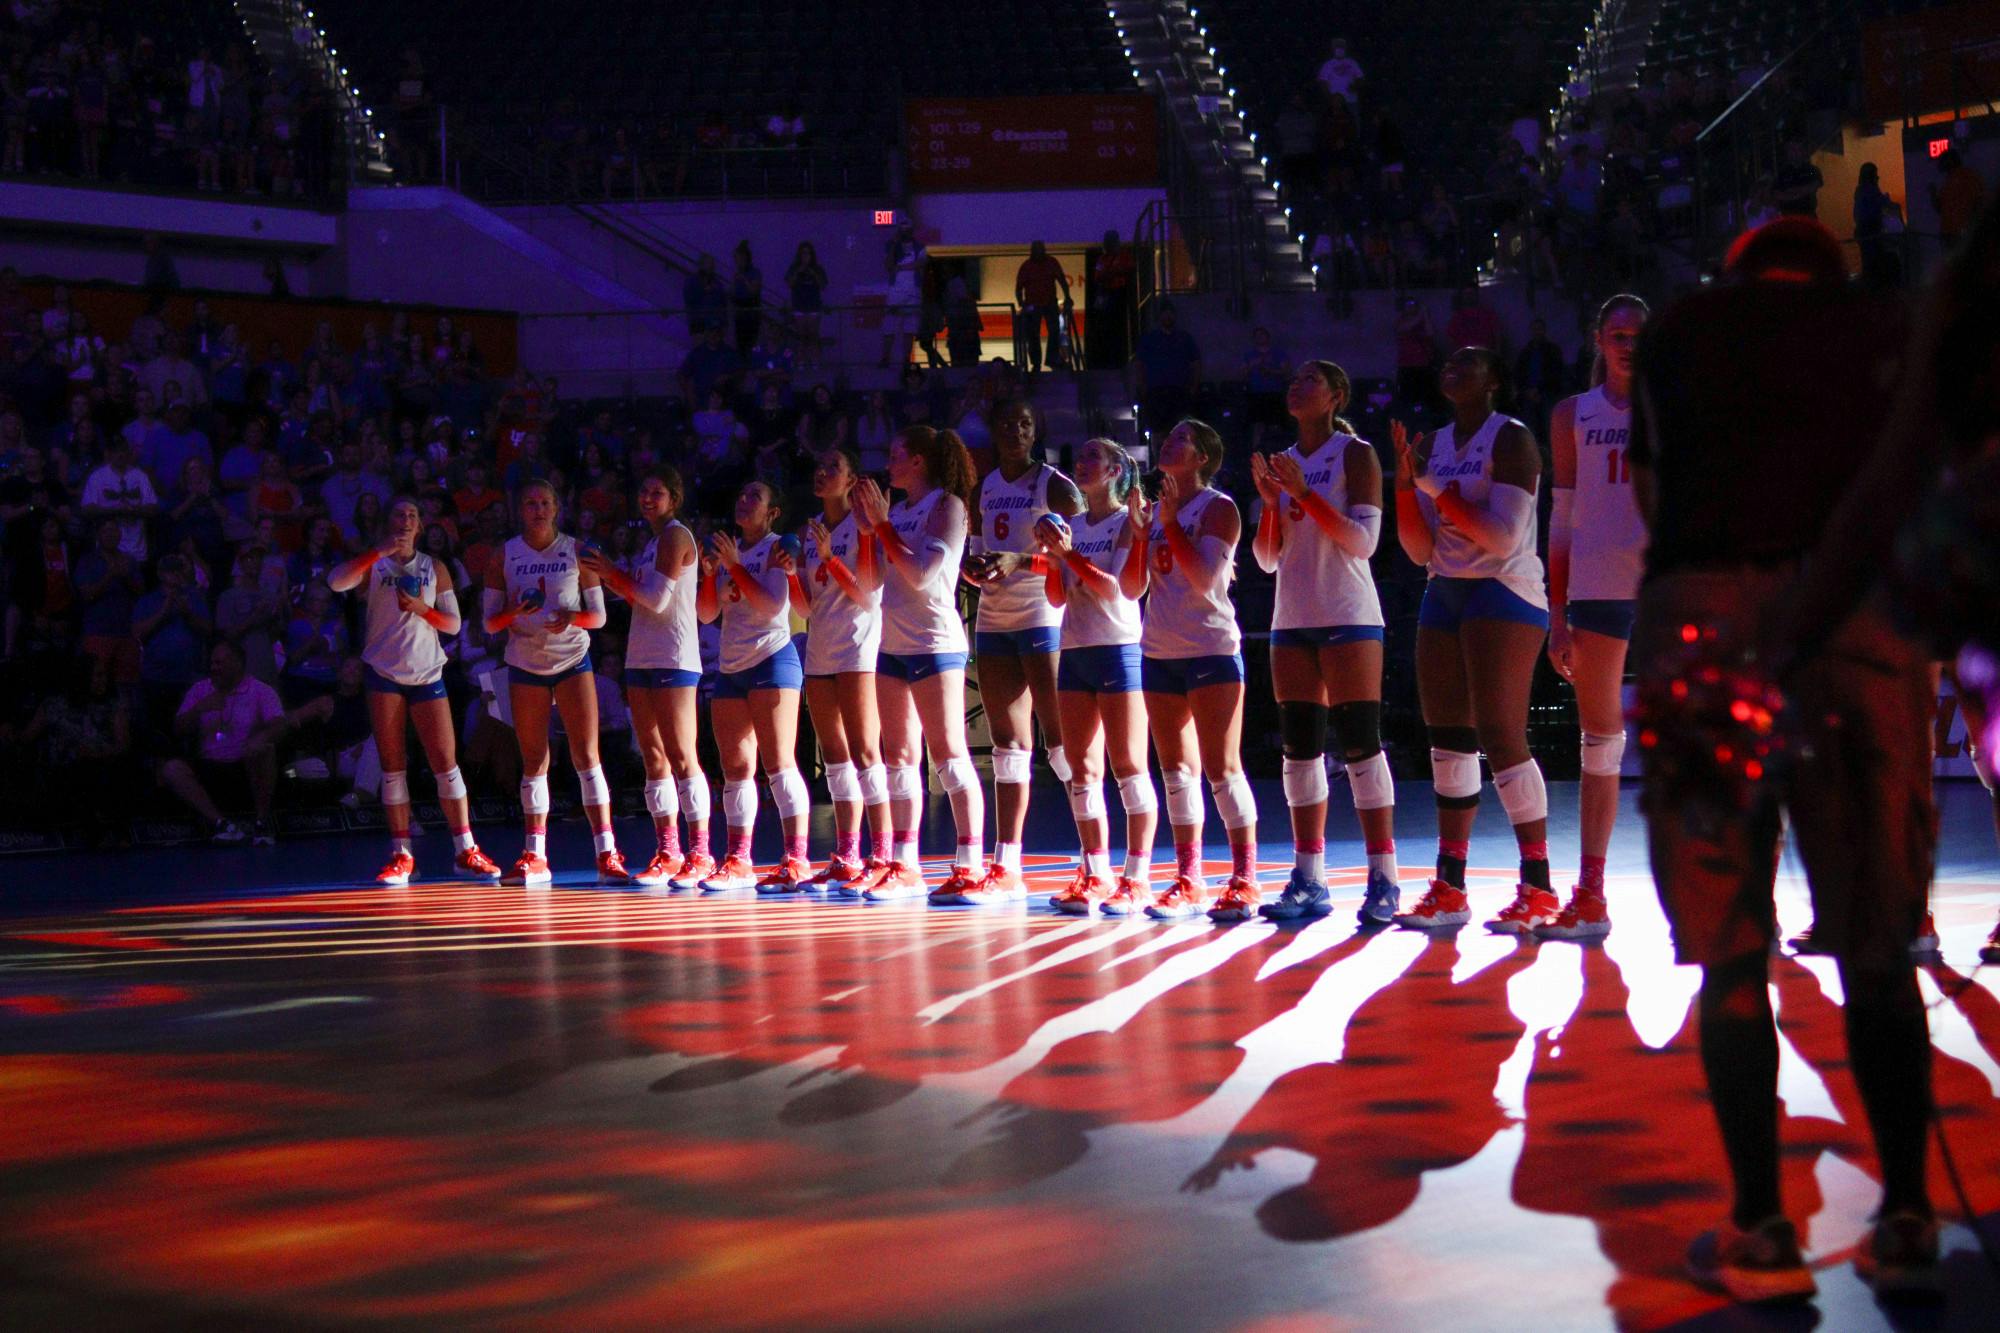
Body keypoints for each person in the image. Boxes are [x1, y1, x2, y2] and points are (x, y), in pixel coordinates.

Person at [1626, 217, 1939, 1301]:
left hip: (1703, 610)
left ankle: (1759, 1220)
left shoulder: (1672, 335)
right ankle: (1904, 1214)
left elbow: (1651, 490)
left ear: (1735, 273)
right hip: (1854, 615)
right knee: (1873, 934)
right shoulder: (1886, 327)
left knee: (1728, 946)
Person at [1390, 347, 1554, 933]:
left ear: (1495, 380)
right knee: (1448, 740)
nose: (1452, 368)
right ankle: (1449, 886)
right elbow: (1418, 551)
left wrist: (1435, 487)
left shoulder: (1511, 438)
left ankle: (1538, 887)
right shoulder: (1430, 445)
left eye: (1470, 363)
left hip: (1503, 589)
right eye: (1448, 363)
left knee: (1501, 733)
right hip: (1446, 588)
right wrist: (1407, 488)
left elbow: (1503, 538)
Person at [1250, 361, 1400, 924]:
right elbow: (1267, 559)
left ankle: (1383, 877)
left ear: (1337, 395)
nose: (1296, 383)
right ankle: (1308, 878)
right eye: (1294, 377)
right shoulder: (1288, 461)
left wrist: (1301, 494)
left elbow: (1364, 541)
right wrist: (1271, 503)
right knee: (1299, 749)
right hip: (1292, 617)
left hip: (1348, 612)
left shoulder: (1354, 452)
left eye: (1311, 379)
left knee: (1361, 742)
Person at [1537, 296, 1649, 939]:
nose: (1629, 344)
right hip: (1598, 590)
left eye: (1639, 334)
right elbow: (1562, 514)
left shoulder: (1672, 403)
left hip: (1663, 591)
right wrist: (1557, 613)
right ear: (1598, 340)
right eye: (1618, 334)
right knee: (1600, 744)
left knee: (1706, 738)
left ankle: (1750, 900)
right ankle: (1592, 893)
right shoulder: (1571, 415)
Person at [328, 496, 502, 886]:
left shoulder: (433, 566)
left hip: (426, 673)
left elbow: (454, 626)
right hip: (384, 673)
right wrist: (378, 551)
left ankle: (465, 850)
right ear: (388, 522)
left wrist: (420, 609)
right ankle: (403, 854)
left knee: (446, 764)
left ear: (420, 526)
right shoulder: (375, 565)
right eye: (399, 515)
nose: (406, 520)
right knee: (392, 768)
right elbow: (336, 581)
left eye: (412, 515)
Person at [848, 427, 985, 901]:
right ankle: (904, 863)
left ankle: (970, 863)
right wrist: (868, 533)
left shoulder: (947, 506)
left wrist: (882, 526)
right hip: (893, 645)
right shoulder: (900, 511)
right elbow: (868, 584)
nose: (888, 462)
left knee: (948, 756)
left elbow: (925, 576)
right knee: (899, 759)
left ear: (920, 460)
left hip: (935, 644)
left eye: (896, 452)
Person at [1132, 418, 1257, 918]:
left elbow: (1205, 578)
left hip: (1210, 648)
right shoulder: (1154, 509)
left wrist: (1165, 525)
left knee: (1222, 771)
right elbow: (1130, 588)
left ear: (1203, 457)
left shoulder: (1218, 507)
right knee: (1177, 773)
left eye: (1182, 437)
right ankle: (1189, 878)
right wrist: (1141, 535)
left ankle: (1245, 878)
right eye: (1170, 434)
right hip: (1159, 650)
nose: (1170, 440)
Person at [962, 397, 1082, 899]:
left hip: (1041, 616)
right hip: (993, 620)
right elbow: (973, 552)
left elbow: (1080, 553)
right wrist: (976, 570)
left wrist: (1020, 562)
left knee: (1060, 742)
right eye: (1008, 422)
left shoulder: (1052, 484)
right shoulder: (984, 488)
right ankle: (1005, 864)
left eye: (1025, 423)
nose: (1016, 430)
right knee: (1008, 748)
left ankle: (1094, 857)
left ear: (1037, 433)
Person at [481, 479, 627, 885]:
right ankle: (535, 854)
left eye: (545, 502)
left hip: (572, 660)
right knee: (534, 760)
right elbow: (489, 623)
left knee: (587, 757)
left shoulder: (577, 550)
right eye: (530, 502)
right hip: (525, 663)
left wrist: (571, 618)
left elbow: (598, 617)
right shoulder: (504, 555)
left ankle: (607, 852)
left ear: (557, 508)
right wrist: (513, 611)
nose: (538, 509)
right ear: (519, 509)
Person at [1038, 439, 1154, 913]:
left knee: (1128, 766)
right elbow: (1059, 598)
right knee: (1082, 770)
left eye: (1092, 458)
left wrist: (1068, 556)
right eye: (1078, 456)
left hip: (1118, 648)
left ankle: (1138, 876)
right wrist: (1050, 556)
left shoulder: (1126, 523)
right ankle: (1096, 871)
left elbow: (1117, 591)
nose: (1081, 464)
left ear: (1114, 471)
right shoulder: (1073, 526)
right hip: (1076, 649)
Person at [586, 468, 715, 889]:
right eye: (643, 491)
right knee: (653, 756)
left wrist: (609, 572)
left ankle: (700, 853)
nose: (648, 498)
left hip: (674, 657)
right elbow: (639, 595)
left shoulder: (677, 537)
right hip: (641, 656)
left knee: (681, 755)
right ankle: (668, 850)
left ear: (674, 499)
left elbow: (658, 599)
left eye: (657, 492)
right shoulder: (651, 545)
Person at [694, 481, 811, 892]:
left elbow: (773, 604)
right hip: (731, 665)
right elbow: (706, 615)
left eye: (754, 498)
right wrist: (711, 577)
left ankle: (796, 860)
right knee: (736, 769)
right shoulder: (726, 552)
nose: (743, 502)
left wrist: (735, 564)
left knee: (779, 764)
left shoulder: (780, 547)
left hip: (772, 658)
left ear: (773, 512)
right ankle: (739, 860)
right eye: (741, 495)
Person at [791, 450, 889, 890]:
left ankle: (883, 855)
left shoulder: (862, 525)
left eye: (833, 468)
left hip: (857, 647)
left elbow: (868, 594)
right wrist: (794, 574)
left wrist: (830, 559)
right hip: (820, 649)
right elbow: (806, 606)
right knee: (834, 757)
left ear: (852, 480)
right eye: (819, 466)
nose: (821, 472)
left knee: (866, 753)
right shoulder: (810, 530)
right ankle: (847, 854)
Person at [160, 640, 302, 845]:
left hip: (245, 764)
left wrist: (262, 737)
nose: (213, 668)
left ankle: (261, 823)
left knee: (265, 750)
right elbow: (178, 728)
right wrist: (199, 709)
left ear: (237, 663)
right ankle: (221, 824)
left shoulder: (261, 691)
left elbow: (279, 725)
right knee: (172, 769)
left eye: (219, 663)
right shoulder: (200, 689)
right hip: (209, 764)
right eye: (212, 663)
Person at [1131, 301, 1202, 441]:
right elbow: (1139, 364)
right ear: (1159, 316)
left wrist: (1193, 387)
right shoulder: (1149, 339)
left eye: (1170, 314)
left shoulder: (1184, 338)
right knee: (1157, 430)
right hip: (1155, 391)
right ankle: (1159, 460)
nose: (1168, 317)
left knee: (1179, 430)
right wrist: (1143, 387)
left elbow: (1196, 363)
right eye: (1165, 313)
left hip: (1179, 391)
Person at [1015, 240, 1071, 374]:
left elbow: (1062, 280)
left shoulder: (1049, 262)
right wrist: (1021, 302)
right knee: (1034, 335)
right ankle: (1037, 362)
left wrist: (1067, 296)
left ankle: (1048, 359)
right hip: (1034, 305)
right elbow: (1018, 287)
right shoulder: (1028, 266)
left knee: (1053, 331)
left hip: (1048, 303)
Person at [785, 241, 828, 369]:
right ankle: (801, 360)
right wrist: (799, 271)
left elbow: (823, 285)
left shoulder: (818, 268)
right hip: (799, 306)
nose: (806, 256)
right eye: (803, 253)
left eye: (808, 253)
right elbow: (790, 284)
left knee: (813, 335)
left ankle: (815, 360)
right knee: (801, 336)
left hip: (814, 306)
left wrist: (813, 274)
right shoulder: (794, 268)